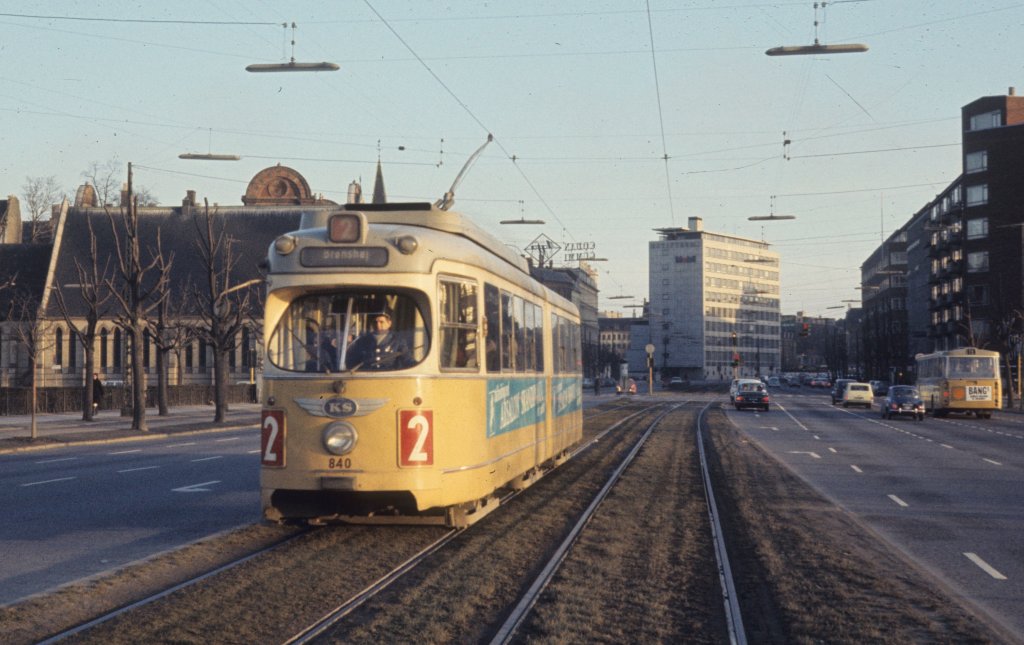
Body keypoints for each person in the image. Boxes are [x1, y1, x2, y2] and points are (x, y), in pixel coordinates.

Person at [346, 312, 411, 370]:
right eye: (375, 322)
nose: (378, 325)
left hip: (389, 377)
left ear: (389, 323)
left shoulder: (397, 341)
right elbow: (351, 362)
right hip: (367, 377)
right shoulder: (362, 341)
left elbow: (407, 360)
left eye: (381, 322)